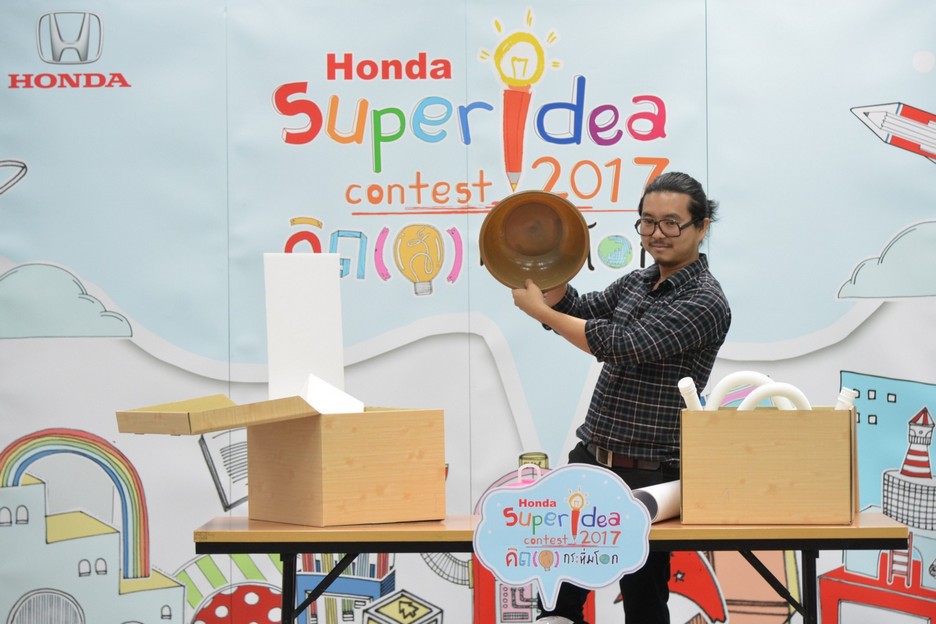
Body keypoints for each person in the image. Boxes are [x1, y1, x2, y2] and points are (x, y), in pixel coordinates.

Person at [511, 171, 732, 624]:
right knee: (557, 595)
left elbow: (621, 344)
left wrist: (539, 311)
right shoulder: (637, 282)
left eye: (671, 223)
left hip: (651, 474)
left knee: (643, 600)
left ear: (702, 227)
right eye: (647, 222)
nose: (657, 233)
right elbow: (580, 309)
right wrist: (553, 281)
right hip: (591, 458)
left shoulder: (706, 301)